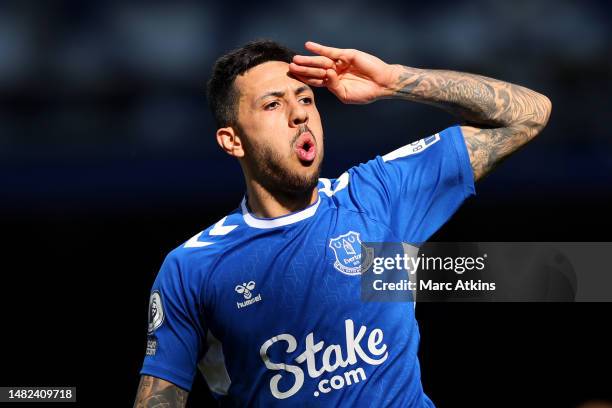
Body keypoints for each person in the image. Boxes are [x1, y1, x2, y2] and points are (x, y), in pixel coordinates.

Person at [133, 39, 551, 407]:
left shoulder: (378, 193)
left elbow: (531, 113)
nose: (299, 114)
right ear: (232, 140)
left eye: (306, 98)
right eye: (273, 104)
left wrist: (393, 81)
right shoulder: (193, 268)